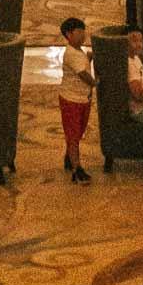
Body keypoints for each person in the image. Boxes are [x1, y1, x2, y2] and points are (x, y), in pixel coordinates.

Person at [58, 17, 96, 184]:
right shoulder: (71, 54)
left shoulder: (78, 51)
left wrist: (90, 58)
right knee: (73, 134)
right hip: (71, 99)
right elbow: (83, 75)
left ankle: (69, 158)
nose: (83, 35)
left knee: (78, 131)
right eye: (79, 32)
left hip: (83, 99)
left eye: (83, 31)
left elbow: (83, 65)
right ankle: (77, 169)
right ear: (69, 34)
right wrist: (97, 83)